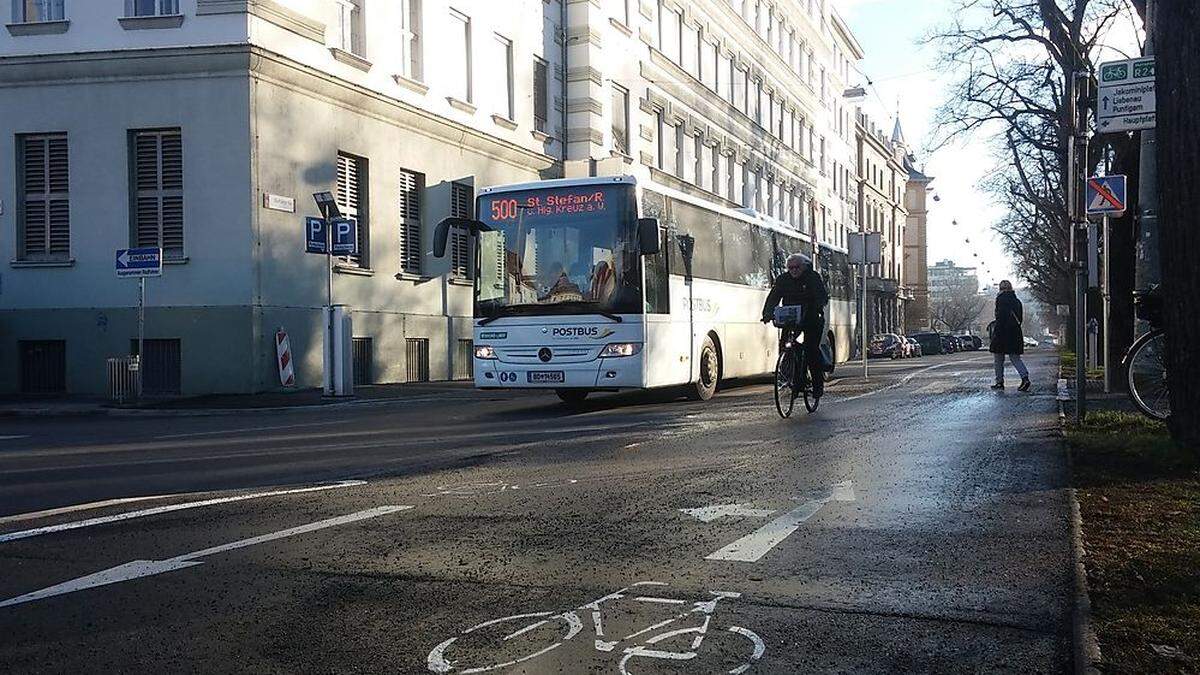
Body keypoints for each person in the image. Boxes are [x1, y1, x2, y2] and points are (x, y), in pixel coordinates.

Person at [761, 252, 829, 399]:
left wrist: (816, 307)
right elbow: (773, 297)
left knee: (811, 349)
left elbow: (822, 297)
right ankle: (793, 375)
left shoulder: (813, 277)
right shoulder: (783, 280)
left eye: (797, 267)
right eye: (790, 268)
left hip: (811, 318)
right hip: (792, 318)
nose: (793, 271)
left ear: (804, 267)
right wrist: (767, 313)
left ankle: (818, 384)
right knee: (786, 345)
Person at [990, 280, 1031, 391]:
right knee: (1015, 358)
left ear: (1000, 289)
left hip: (1001, 333)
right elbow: (1020, 319)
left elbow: (1000, 318)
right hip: (1014, 332)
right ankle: (1025, 377)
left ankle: (999, 382)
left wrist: (996, 331)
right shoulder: (1017, 301)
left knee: (998, 359)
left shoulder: (1000, 300)